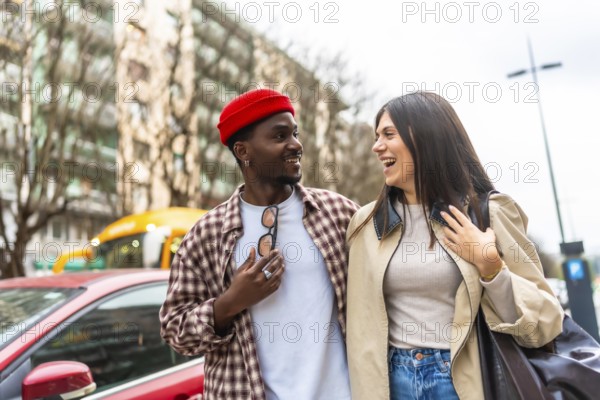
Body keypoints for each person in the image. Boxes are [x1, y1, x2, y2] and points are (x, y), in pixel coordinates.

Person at [345, 91, 564, 400]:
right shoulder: (365, 224)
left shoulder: (490, 213)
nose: (376, 146)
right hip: (388, 383)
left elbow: (545, 321)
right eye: (376, 135)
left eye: (388, 134)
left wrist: (492, 268)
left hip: (463, 381)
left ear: (425, 137)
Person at [160, 88, 358, 400]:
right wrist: (231, 302)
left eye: (294, 133)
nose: (296, 145)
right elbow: (176, 332)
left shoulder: (339, 214)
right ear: (243, 151)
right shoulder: (206, 235)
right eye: (280, 136)